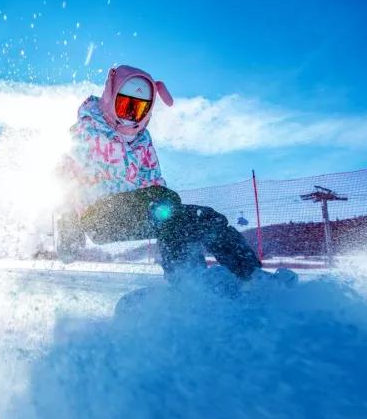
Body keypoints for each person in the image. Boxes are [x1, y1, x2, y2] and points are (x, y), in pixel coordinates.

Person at [57, 64, 267, 281]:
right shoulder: (87, 131)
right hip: (99, 215)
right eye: (125, 106)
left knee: (202, 218)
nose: (131, 116)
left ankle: (251, 276)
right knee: (173, 217)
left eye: (138, 110)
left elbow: (153, 178)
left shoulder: (142, 139)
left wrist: (166, 198)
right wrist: (68, 226)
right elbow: (63, 178)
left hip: (137, 207)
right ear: (110, 99)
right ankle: (190, 284)